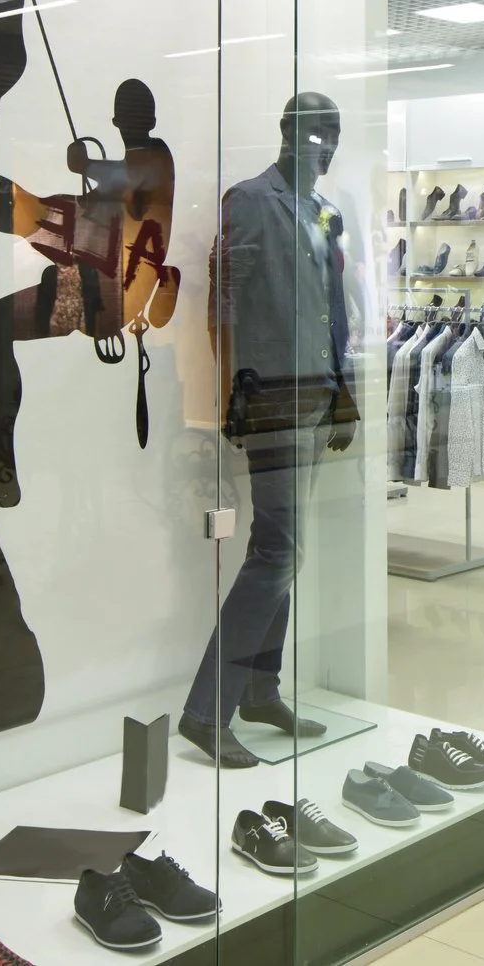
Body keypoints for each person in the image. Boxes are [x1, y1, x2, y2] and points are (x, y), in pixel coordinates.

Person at [181, 93, 357, 768]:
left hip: (314, 398)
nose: (325, 144)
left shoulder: (323, 211)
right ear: (286, 131)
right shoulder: (251, 200)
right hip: (272, 398)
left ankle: (259, 691)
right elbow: (222, 298)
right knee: (277, 552)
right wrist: (231, 387)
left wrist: (343, 393)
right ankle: (206, 710)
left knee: (289, 549)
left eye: (333, 133)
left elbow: (332, 310)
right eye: (314, 131)